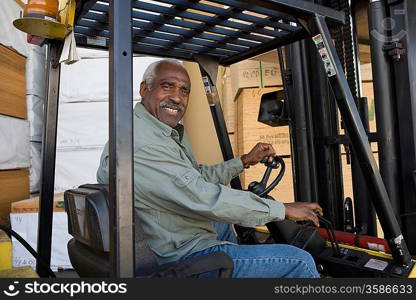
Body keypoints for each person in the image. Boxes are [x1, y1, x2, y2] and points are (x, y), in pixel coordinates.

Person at [97, 58, 323, 278]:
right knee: (299, 262)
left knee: (223, 223)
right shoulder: (145, 144)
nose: (177, 97)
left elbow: (195, 177)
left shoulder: (153, 130)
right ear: (144, 89)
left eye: (184, 91)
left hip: (169, 232)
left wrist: (244, 161)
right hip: (179, 257)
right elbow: (202, 196)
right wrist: (281, 209)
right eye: (167, 86)